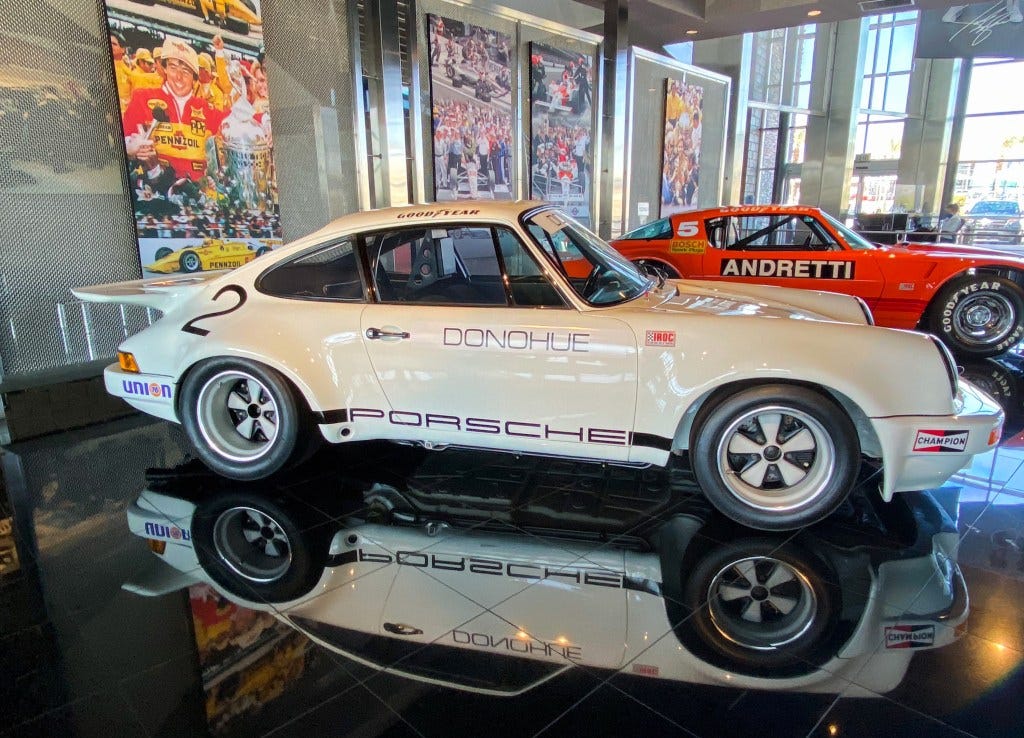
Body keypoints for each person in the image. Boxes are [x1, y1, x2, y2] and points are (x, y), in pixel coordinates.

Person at [123, 37, 226, 184]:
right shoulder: (142, 98)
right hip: (153, 188)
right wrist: (132, 147)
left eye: (185, 71)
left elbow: (236, 119)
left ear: (195, 78)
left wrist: (266, 121)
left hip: (197, 196)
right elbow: (124, 137)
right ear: (164, 68)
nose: (179, 76)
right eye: (173, 68)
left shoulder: (206, 108)